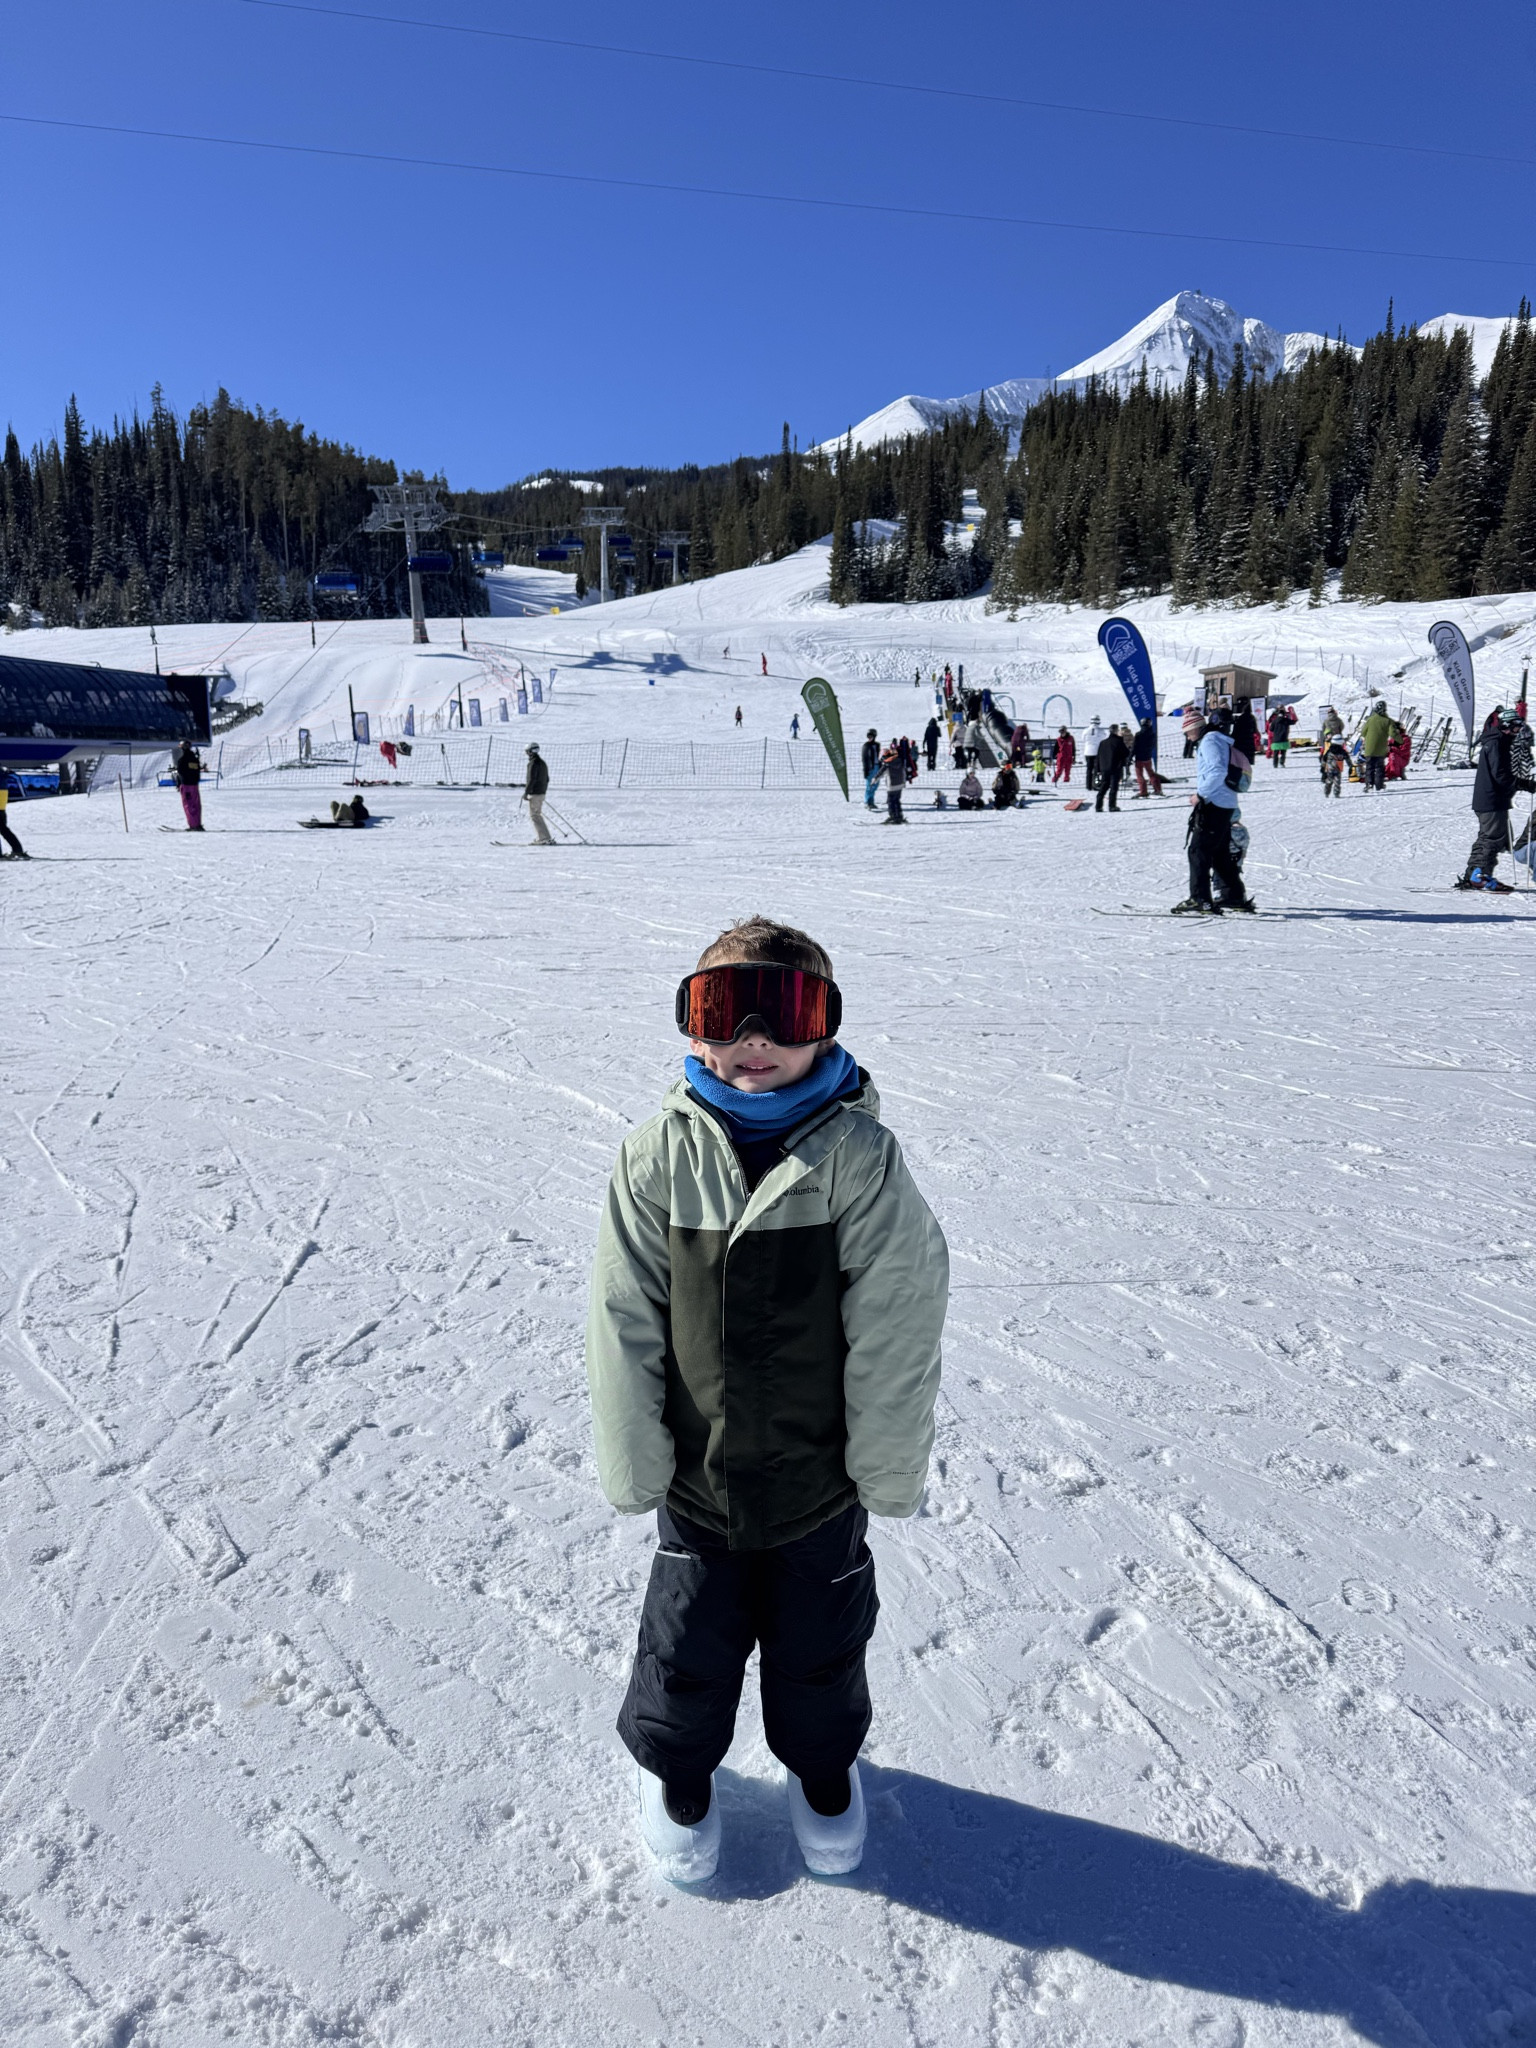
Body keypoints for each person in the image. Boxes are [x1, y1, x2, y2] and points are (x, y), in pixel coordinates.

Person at [587, 919, 947, 1882]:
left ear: (825, 1025)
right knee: (686, 1640)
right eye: (723, 1010)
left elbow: (898, 1321)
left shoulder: (859, 1160)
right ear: (691, 1025)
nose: (753, 1038)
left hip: (819, 1481)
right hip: (698, 1477)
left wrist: (884, 1468)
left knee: (820, 1643)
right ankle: (677, 1770)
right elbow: (622, 1316)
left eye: (784, 1010)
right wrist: (635, 1457)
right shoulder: (657, 1157)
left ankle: (822, 1766)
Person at [1173, 706, 1255, 914]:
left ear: (1195, 727)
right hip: (1224, 802)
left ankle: (1200, 899)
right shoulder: (1218, 739)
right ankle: (1233, 895)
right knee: (1220, 854)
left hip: (1214, 803)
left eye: (1187, 732)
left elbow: (1217, 771)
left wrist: (1201, 795)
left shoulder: (1210, 741)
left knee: (1198, 851)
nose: (1187, 737)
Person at [1458, 706, 1535, 891]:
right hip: (1491, 799)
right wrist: (1525, 784)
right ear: (1506, 725)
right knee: (1493, 838)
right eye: (1516, 726)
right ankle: (1479, 876)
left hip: (1490, 798)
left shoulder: (1497, 741)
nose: (1518, 730)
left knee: (1487, 837)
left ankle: (1474, 875)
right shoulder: (1496, 743)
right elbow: (1500, 775)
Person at [523, 741, 554, 845]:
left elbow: (531, 779)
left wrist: (526, 792)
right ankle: (545, 837)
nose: (526, 753)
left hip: (535, 793)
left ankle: (543, 838)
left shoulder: (532, 763)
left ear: (530, 752)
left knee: (535, 816)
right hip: (541, 792)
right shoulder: (542, 763)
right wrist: (542, 790)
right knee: (537, 815)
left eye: (527, 751)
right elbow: (547, 779)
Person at [1359, 700, 1393, 791]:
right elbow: (1392, 733)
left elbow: (1363, 733)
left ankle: (1369, 784)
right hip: (1381, 749)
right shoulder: (1387, 721)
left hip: (1369, 749)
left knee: (1369, 767)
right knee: (1379, 768)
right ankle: (1379, 785)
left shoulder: (1370, 720)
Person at [1094, 724, 1128, 813]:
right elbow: (1126, 753)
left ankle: (1098, 806)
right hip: (1115, 767)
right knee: (1113, 787)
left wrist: (1098, 769)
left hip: (1104, 768)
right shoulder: (1118, 742)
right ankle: (1112, 806)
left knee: (1104, 786)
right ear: (1116, 731)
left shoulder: (1103, 742)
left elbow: (1098, 756)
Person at [172, 739, 204, 831]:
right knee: (196, 804)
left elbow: (180, 772)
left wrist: (178, 783)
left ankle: (193, 825)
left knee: (188, 805)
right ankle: (197, 824)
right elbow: (197, 770)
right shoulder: (194, 758)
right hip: (194, 785)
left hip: (186, 785)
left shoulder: (182, 759)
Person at [1131, 718, 1165, 798]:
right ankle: (1158, 789)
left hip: (1139, 757)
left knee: (1139, 774)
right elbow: (1153, 745)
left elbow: (1134, 747)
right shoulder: (1152, 734)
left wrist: (1130, 756)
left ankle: (1143, 791)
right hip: (1147, 757)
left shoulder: (1139, 734)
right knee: (1151, 773)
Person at [0, 776, 26, 859]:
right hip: (1, 805)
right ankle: (17, 849)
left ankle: (17, 850)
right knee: (3, 829)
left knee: (3, 829)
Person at [881, 744, 907, 824]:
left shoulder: (887, 765)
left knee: (891, 801)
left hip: (891, 785)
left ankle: (893, 816)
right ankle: (899, 815)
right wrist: (903, 782)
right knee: (897, 801)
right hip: (899, 784)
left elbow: (880, 773)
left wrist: (874, 780)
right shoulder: (899, 761)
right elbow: (903, 772)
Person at [1319, 732, 1349, 798]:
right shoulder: (1342, 751)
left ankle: (1328, 792)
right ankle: (1335, 793)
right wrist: (1350, 765)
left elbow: (1324, 759)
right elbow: (1347, 758)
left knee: (1330, 781)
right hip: (1337, 768)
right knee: (1336, 781)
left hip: (1331, 769)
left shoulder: (1330, 750)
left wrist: (1322, 767)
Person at [861, 728, 882, 810]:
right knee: (869, 785)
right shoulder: (866, 746)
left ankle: (871, 801)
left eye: (871, 736)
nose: (870, 738)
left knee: (875, 785)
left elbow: (880, 755)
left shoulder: (877, 745)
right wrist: (865, 770)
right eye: (868, 736)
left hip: (877, 767)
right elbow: (864, 758)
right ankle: (867, 802)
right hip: (870, 768)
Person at [1083, 716, 1105, 790]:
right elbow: (1104, 739)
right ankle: (1095, 784)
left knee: (1089, 770)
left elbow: (1083, 739)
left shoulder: (1086, 730)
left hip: (1088, 752)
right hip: (1097, 752)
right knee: (1096, 770)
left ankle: (1088, 785)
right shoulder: (1101, 731)